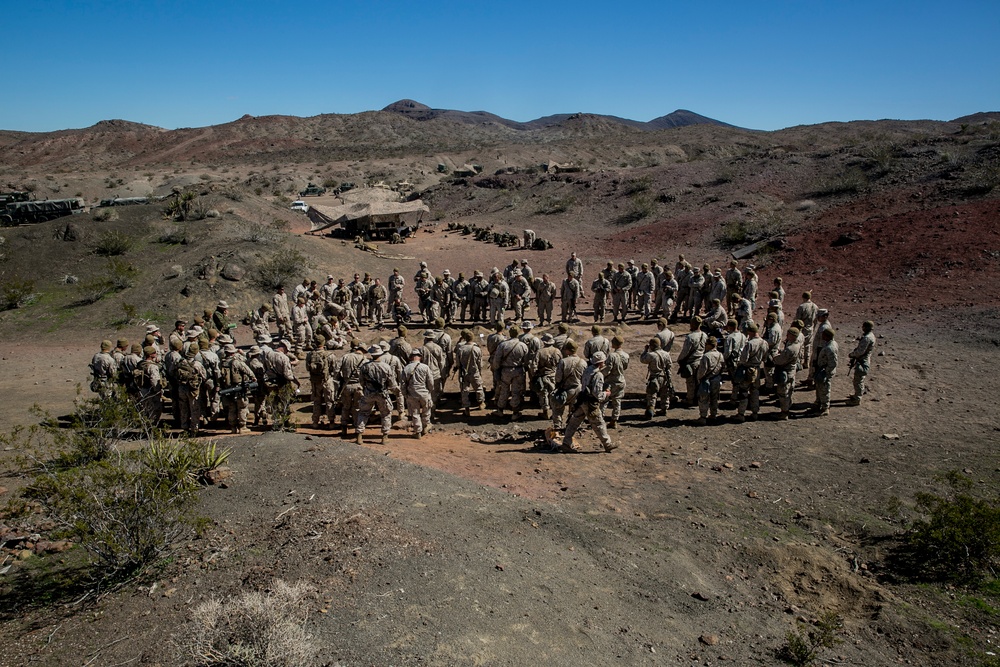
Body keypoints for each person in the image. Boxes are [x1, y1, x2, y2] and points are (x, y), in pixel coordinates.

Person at [560, 352, 617, 453]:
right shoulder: (598, 375)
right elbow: (597, 394)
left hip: (582, 399)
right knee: (599, 423)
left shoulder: (587, 370)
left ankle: (566, 442)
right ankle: (607, 444)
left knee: (574, 422)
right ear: (600, 363)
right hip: (591, 403)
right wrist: (606, 394)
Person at [355, 345, 398, 444]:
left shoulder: (365, 366)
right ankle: (384, 436)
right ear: (381, 353)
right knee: (386, 414)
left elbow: (361, 381)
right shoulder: (386, 367)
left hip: (368, 392)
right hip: (382, 393)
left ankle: (359, 435)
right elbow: (392, 383)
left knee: (363, 412)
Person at [491, 325, 528, 420]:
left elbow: (497, 359)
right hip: (518, 370)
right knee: (516, 392)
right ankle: (515, 412)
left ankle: (500, 410)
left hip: (506, 371)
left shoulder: (503, 345)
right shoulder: (522, 345)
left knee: (504, 390)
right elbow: (526, 360)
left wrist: (496, 369)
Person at [734, 323, 769, 423]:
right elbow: (765, 358)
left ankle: (741, 413)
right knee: (755, 392)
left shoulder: (750, 344)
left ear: (750, 332)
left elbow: (744, 359)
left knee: (744, 392)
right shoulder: (764, 343)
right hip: (757, 370)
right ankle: (755, 413)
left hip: (748, 370)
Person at [219, 344, 256, 433]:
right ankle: (242, 426)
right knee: (242, 407)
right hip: (238, 388)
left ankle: (233, 427)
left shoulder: (221, 363)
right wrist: (253, 378)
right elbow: (248, 371)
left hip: (227, 389)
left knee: (231, 408)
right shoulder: (236, 362)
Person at [552, 339, 586, 429]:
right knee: (574, 409)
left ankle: (557, 426)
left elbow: (558, 378)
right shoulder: (582, 362)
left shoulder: (563, 361)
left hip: (565, 389)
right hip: (578, 389)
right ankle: (572, 426)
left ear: (568, 350)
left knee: (557, 408)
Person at [305, 336, 338, 428]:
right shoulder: (329, 355)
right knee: (329, 401)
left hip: (315, 382)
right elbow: (334, 369)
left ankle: (315, 422)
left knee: (316, 402)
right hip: (327, 381)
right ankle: (331, 422)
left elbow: (308, 368)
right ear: (324, 343)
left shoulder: (310, 355)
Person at [402, 348, 434, 439]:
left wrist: (405, 394)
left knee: (415, 414)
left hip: (412, 394)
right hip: (424, 393)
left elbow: (403, 383)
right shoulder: (425, 367)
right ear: (419, 357)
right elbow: (430, 382)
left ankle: (417, 432)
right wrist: (429, 390)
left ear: (411, 358)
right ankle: (425, 427)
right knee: (426, 411)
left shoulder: (406, 368)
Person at [771, 328, 802, 420]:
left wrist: (775, 356)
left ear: (792, 335)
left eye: (788, 334)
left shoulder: (790, 348)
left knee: (783, 393)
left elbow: (780, 361)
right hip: (791, 371)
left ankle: (784, 412)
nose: (787, 336)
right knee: (789, 391)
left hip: (786, 372)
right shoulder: (796, 344)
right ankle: (787, 407)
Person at [338, 341, 367, 438]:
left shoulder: (345, 357)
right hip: (359, 386)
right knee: (357, 408)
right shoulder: (364, 360)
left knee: (345, 407)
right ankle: (356, 430)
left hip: (346, 385)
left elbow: (336, 370)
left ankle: (343, 428)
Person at [676, 317, 707, 406]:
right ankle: (698, 398)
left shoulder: (690, 337)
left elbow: (685, 351)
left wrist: (680, 360)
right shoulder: (704, 335)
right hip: (701, 361)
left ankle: (690, 399)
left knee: (690, 383)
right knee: (699, 381)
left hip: (691, 363)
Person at [454, 330, 486, 416]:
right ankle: (481, 403)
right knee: (478, 388)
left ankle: (466, 408)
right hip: (474, 371)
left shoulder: (460, 349)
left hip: (464, 372)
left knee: (464, 390)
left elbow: (457, 363)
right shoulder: (477, 349)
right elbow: (480, 363)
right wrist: (479, 371)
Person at [640, 336, 672, 419]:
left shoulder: (651, 355)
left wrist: (645, 350)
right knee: (665, 394)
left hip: (654, 377)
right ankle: (664, 409)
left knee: (652, 394)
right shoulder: (666, 354)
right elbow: (669, 365)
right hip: (665, 376)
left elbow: (642, 360)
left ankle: (650, 409)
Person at [695, 337, 725, 425]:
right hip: (716, 379)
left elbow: (702, 370)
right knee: (714, 398)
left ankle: (703, 417)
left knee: (703, 399)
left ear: (708, 345)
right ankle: (713, 415)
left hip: (706, 381)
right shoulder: (720, 355)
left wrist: (699, 378)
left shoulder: (706, 356)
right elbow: (723, 367)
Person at [847, 321, 876, 405]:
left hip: (862, 361)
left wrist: (851, 355)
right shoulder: (871, 336)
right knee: (860, 379)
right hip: (864, 360)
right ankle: (857, 394)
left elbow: (860, 351)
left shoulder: (867, 338)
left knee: (858, 380)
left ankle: (857, 399)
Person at [534, 334, 561, 420]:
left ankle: (545, 412)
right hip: (554, 375)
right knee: (553, 393)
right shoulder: (557, 351)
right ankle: (554, 412)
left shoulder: (540, 352)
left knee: (543, 394)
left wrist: (534, 374)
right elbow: (560, 364)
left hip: (543, 375)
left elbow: (534, 365)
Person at [604, 336, 629, 429]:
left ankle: (601, 419)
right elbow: (625, 367)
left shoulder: (612, 356)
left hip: (611, 381)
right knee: (617, 402)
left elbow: (608, 369)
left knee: (604, 400)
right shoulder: (626, 355)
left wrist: (602, 375)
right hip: (621, 380)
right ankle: (614, 420)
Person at [813, 329, 839, 416]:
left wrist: (825, 372)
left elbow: (833, 363)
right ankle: (818, 403)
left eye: (823, 335)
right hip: (821, 369)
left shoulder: (830, 348)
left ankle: (825, 408)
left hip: (825, 372)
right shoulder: (829, 344)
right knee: (819, 388)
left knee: (825, 390)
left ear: (827, 336)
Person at [794, 292, 819, 369]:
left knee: (800, 345)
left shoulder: (802, 307)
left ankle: (799, 362)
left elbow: (797, 320)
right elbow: (816, 320)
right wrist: (813, 328)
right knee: (808, 345)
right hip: (810, 328)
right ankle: (806, 362)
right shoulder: (815, 306)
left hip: (802, 329)